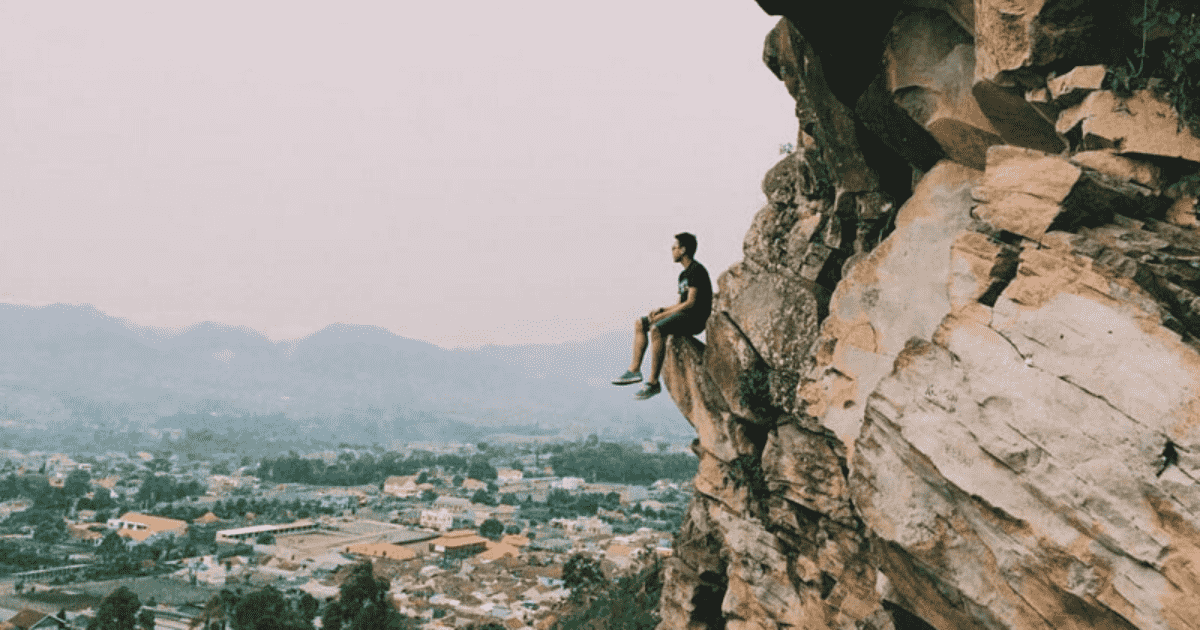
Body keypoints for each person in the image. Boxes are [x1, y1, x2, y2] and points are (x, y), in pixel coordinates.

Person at [612, 232, 712, 400]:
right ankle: (634, 371)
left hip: (695, 318)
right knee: (640, 324)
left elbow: (691, 303)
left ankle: (653, 383)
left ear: (683, 250)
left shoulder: (696, 270)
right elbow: (681, 301)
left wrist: (663, 316)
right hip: (684, 315)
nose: (672, 251)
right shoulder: (683, 275)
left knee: (657, 330)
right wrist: (663, 309)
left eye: (674, 248)